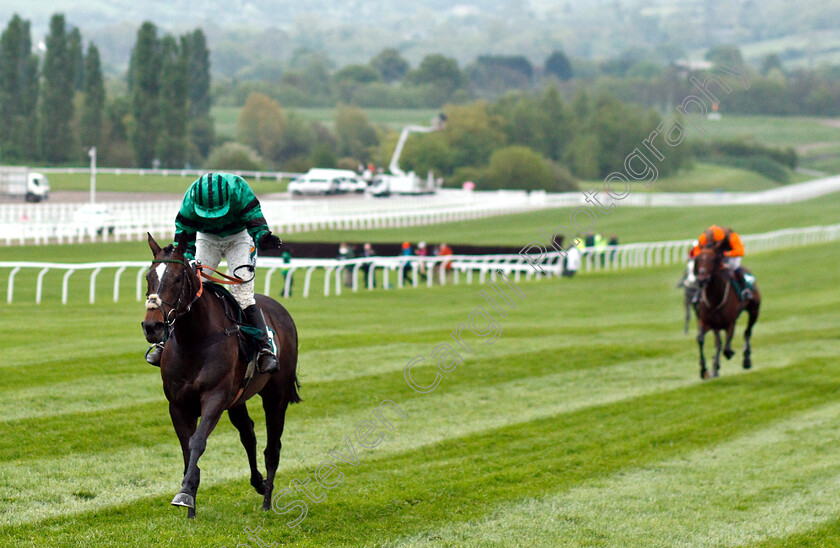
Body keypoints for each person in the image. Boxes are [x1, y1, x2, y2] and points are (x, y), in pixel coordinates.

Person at [145, 172, 284, 374]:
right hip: (207, 239)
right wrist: (189, 259)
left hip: (240, 238)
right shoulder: (190, 200)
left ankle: (265, 349)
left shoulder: (239, 189)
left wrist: (262, 236)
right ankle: (165, 342)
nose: (214, 216)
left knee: (241, 295)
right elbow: (183, 239)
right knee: (187, 288)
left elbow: (254, 218)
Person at [690, 225, 753, 300]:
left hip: (731, 253)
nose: (716, 245)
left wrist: (725, 254)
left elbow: (740, 251)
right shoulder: (703, 238)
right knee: (703, 267)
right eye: (713, 242)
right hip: (713, 255)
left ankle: (745, 289)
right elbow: (696, 251)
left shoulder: (732, 237)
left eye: (717, 243)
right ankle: (698, 291)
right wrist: (702, 255)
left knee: (734, 266)